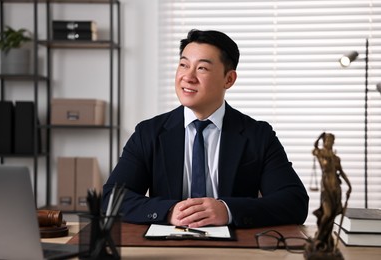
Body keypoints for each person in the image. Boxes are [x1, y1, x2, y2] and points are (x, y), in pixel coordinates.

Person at [102, 29, 309, 228]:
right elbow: (111, 198)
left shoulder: (258, 135)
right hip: (166, 245)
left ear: (229, 79)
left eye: (202, 68)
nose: (188, 77)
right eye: (183, 65)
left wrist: (227, 210)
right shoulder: (149, 133)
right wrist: (168, 211)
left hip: (235, 247)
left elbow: (294, 202)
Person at [310, 132, 351, 252]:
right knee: (326, 214)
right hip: (326, 189)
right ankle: (319, 236)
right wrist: (319, 137)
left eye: (331, 140)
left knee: (332, 217)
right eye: (327, 140)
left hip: (336, 190)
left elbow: (342, 173)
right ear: (324, 141)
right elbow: (315, 147)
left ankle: (327, 240)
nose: (329, 142)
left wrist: (349, 186)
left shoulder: (336, 158)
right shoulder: (321, 154)